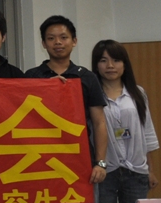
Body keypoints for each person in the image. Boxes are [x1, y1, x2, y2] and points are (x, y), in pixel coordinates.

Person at [24, 15, 109, 184]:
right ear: (43, 44)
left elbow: (99, 122)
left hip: (80, 158)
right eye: (51, 38)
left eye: (63, 37)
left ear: (74, 41)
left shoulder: (87, 77)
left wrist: (100, 163)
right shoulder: (31, 76)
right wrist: (45, 88)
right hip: (39, 158)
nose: (58, 42)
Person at [92, 39, 158, 203]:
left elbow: (146, 132)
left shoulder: (138, 93)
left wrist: (150, 170)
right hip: (105, 171)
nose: (110, 66)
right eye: (103, 60)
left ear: (124, 64)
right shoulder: (91, 95)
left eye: (116, 60)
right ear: (96, 65)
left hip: (135, 170)